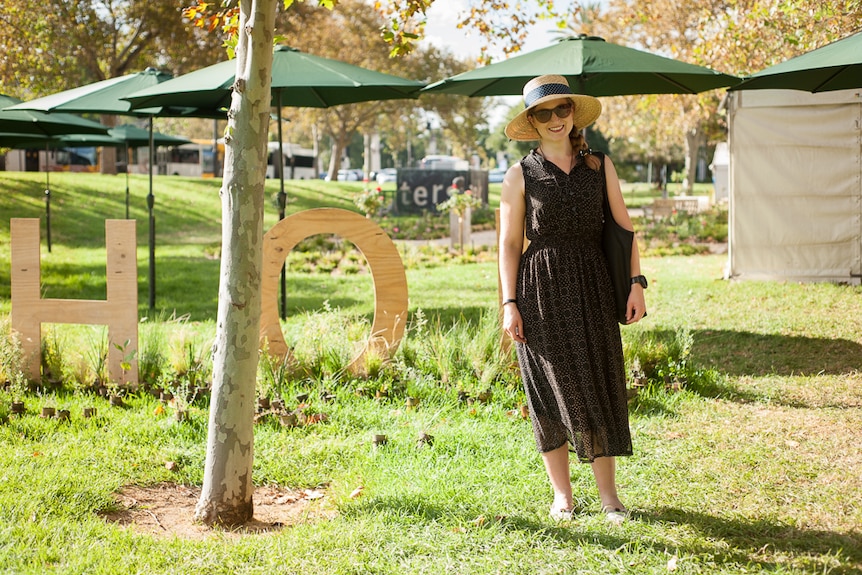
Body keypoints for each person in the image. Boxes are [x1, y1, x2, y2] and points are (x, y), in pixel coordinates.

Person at [498, 74, 647, 524]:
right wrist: (509, 303)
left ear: (573, 114)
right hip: (539, 291)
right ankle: (562, 496)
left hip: (594, 286)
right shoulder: (519, 174)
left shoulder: (600, 166)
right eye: (543, 113)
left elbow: (623, 228)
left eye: (561, 109)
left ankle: (609, 498)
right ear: (532, 121)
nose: (554, 119)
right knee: (549, 390)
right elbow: (508, 244)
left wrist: (636, 281)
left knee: (598, 384)